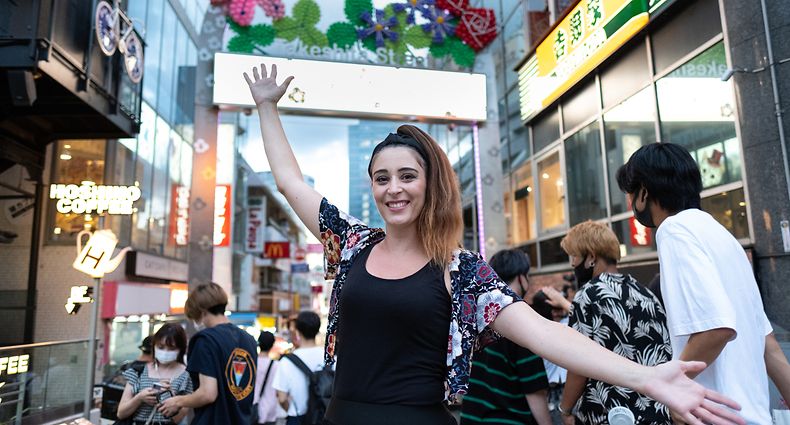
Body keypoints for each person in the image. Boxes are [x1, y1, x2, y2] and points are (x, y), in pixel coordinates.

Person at [242, 64, 745, 425]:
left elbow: (545, 335)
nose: (392, 188)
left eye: (406, 176)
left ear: (429, 184)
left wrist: (647, 378)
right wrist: (266, 106)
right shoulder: (351, 244)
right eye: (381, 178)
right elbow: (290, 182)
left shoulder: (457, 269)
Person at [616, 142, 774, 424]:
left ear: (643, 193)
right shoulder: (723, 236)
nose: (630, 204)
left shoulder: (674, 230)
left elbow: (716, 327)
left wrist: (674, 388)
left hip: (713, 414)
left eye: (630, 194)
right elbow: (770, 346)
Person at [557, 221, 672, 424]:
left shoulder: (588, 295)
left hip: (610, 415)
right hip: (658, 412)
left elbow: (578, 362)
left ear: (591, 257)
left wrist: (565, 409)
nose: (573, 264)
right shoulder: (645, 293)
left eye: (574, 256)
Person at [460, 249, 552, 425]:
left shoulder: (475, 314)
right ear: (521, 278)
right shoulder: (524, 322)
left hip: (471, 418)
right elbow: (534, 390)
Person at [157, 283, 258, 424]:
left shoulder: (205, 340)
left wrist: (177, 401)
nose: (195, 322)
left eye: (194, 316)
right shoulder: (249, 340)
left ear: (202, 312)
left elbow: (207, 393)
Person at [117, 324, 193, 424]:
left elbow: (177, 419)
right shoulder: (138, 371)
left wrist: (170, 398)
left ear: (180, 349)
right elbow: (121, 413)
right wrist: (139, 398)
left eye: (171, 348)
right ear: (154, 346)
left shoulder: (187, 375)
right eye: (161, 347)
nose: (165, 352)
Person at [272, 311, 325, 425]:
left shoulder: (287, 361)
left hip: (297, 418)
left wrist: (289, 409)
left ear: (297, 331)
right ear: (318, 329)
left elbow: (281, 399)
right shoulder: (329, 358)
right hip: (323, 416)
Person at [254, 331, 279, 425]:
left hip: (252, 410)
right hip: (270, 412)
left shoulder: (252, 363)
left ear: (259, 343)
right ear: (272, 345)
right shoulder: (276, 365)